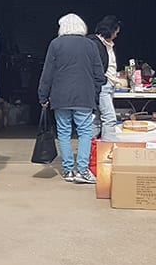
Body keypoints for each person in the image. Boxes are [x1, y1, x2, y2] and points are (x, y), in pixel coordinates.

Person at [37, 13, 105, 184]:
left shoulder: (56, 44)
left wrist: (43, 95)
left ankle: (68, 170)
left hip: (60, 96)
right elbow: (99, 74)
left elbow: (48, 73)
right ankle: (83, 170)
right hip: (84, 96)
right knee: (85, 132)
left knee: (64, 132)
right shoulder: (91, 45)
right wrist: (95, 91)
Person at [90, 16, 122, 140]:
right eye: (116, 32)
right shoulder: (96, 44)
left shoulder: (108, 44)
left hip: (108, 85)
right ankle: (107, 151)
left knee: (97, 120)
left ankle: (87, 150)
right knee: (109, 118)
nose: (116, 35)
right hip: (102, 86)